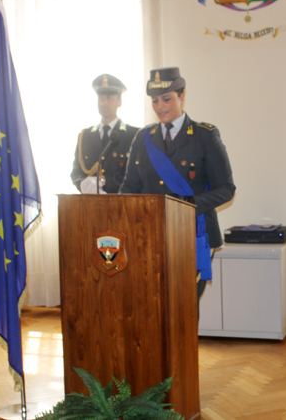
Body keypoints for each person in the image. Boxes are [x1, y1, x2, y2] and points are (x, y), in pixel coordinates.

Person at [119, 67, 235, 301]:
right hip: (150, 234)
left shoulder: (204, 135)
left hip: (193, 232)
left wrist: (188, 204)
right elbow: (129, 188)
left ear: (182, 97)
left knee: (185, 305)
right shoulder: (143, 138)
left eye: (167, 99)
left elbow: (226, 189)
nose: (160, 106)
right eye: (154, 101)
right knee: (153, 304)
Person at [71, 74, 139, 194]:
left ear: (119, 102)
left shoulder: (133, 135)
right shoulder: (85, 136)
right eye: (100, 98)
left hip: (121, 204)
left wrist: (104, 183)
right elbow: (76, 172)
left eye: (109, 98)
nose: (103, 103)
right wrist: (83, 184)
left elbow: (136, 175)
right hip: (89, 205)